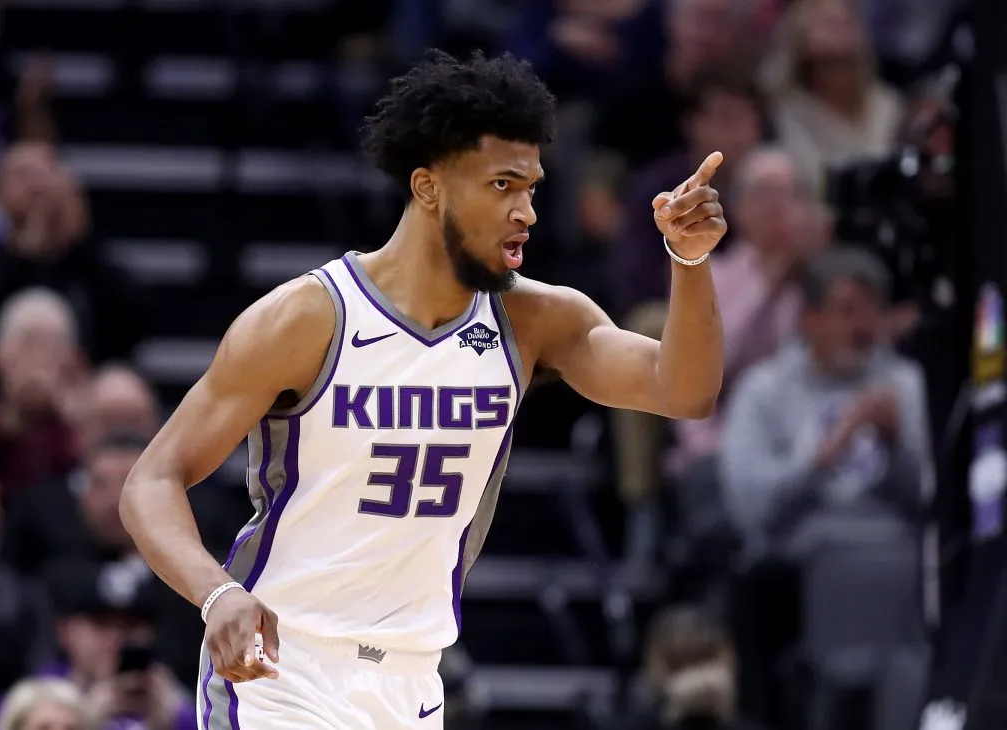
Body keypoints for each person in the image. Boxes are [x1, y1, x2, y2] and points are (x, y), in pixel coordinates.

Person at [119, 50, 727, 729]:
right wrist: (216, 594)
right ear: (429, 187)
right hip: (283, 667)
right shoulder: (308, 318)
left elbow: (684, 392)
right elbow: (152, 479)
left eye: (531, 187)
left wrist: (690, 261)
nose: (526, 211)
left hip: (413, 680)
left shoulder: (534, 321)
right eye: (502, 185)